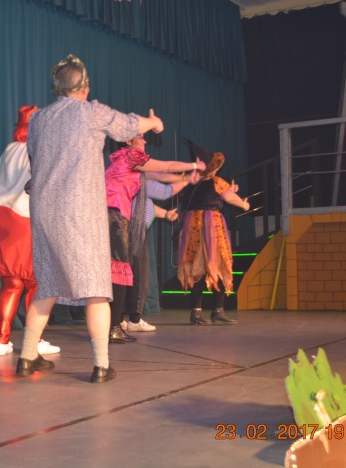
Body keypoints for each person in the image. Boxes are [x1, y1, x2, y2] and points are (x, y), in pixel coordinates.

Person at [14, 54, 164, 383]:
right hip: (80, 212)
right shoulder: (90, 111)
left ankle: (26, 357)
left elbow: (34, 158)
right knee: (97, 289)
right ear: (84, 88)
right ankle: (101, 365)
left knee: (47, 285)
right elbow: (129, 125)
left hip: (45, 212)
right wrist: (153, 123)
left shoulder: (38, 119)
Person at [104, 135, 204, 343]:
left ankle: (115, 325)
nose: (145, 142)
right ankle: (115, 326)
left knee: (122, 273)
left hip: (117, 218)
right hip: (115, 217)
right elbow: (167, 167)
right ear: (128, 142)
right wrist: (194, 165)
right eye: (140, 138)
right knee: (121, 273)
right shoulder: (130, 157)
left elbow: (162, 176)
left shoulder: (130, 164)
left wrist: (186, 179)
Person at [0, 105, 60, 357]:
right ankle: (34, 340)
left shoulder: (9, 150)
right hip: (26, 219)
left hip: (1, 219)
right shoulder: (37, 150)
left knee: (11, 282)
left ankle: (1, 340)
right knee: (36, 282)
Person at [177, 140, 250, 325]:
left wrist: (229, 191)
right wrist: (244, 204)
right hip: (211, 225)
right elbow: (230, 198)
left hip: (192, 225)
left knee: (197, 265)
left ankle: (196, 313)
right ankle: (218, 310)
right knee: (218, 262)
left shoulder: (190, 182)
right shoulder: (217, 182)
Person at [121, 171, 199, 333]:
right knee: (139, 275)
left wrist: (165, 214)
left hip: (125, 230)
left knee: (124, 274)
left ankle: (119, 318)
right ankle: (134, 320)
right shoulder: (139, 179)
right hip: (134, 231)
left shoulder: (126, 179)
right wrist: (187, 180)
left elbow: (144, 204)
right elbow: (165, 192)